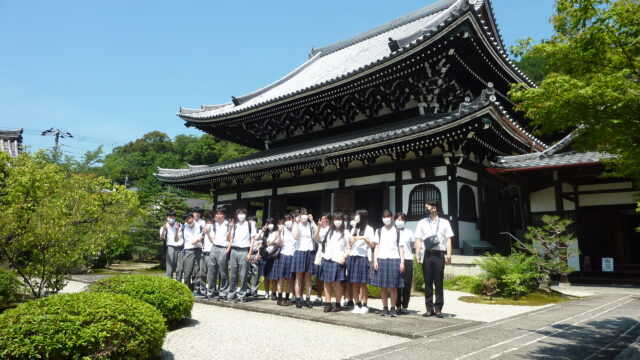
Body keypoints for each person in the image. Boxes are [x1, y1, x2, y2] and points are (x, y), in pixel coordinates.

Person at [415, 200, 453, 318]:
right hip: (426, 254)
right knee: (427, 282)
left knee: (439, 281)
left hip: (439, 254)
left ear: (434, 208)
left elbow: (448, 239)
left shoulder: (445, 222)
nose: (425, 208)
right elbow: (418, 240)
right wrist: (417, 255)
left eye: (428, 206)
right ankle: (429, 308)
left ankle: (438, 309)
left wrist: (449, 255)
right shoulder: (422, 222)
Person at [371, 210, 405, 317]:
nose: (387, 219)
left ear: (392, 218)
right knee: (383, 286)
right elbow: (376, 246)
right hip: (381, 259)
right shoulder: (379, 231)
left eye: (388, 216)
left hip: (394, 259)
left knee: (394, 286)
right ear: (382, 218)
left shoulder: (398, 231)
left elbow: (401, 247)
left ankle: (393, 308)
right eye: (384, 217)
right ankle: (385, 308)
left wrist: (402, 262)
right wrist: (375, 260)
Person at [317, 212, 350, 313]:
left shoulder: (346, 232)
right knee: (326, 282)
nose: (337, 221)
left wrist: (344, 257)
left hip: (338, 260)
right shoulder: (329, 231)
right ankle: (328, 304)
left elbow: (349, 248)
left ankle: (338, 304)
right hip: (327, 258)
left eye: (339, 219)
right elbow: (317, 238)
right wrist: (318, 228)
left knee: (337, 284)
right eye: (335, 219)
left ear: (342, 221)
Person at [226, 208, 257, 303]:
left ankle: (241, 295)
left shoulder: (250, 224)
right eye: (239, 213)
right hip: (234, 250)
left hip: (244, 250)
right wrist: (230, 228)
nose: (241, 215)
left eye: (243, 213)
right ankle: (231, 294)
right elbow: (228, 239)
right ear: (236, 215)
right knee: (233, 273)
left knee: (243, 274)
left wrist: (249, 253)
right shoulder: (234, 225)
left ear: (246, 215)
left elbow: (252, 240)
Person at [348, 209, 375, 314]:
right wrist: (352, 239)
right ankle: (357, 304)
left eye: (358, 215)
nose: (356, 217)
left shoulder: (369, 229)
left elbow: (372, 245)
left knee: (363, 283)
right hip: (353, 256)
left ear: (363, 216)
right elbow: (350, 243)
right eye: (356, 215)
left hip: (362, 256)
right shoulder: (354, 228)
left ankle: (365, 305)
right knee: (354, 282)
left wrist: (363, 238)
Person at [291, 208, 316, 308]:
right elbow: (296, 236)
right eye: (302, 214)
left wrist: (313, 221)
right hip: (299, 250)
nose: (304, 216)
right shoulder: (296, 225)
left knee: (308, 277)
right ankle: (298, 299)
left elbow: (317, 235)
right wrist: (296, 223)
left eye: (305, 213)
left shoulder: (310, 225)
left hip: (309, 250)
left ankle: (308, 299)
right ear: (299, 216)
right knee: (298, 276)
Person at [205, 208, 230, 300]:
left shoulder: (228, 224)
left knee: (223, 272)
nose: (219, 215)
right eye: (217, 214)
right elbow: (212, 239)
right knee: (211, 271)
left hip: (223, 248)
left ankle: (223, 292)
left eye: (221, 214)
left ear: (224, 215)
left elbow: (231, 239)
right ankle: (211, 291)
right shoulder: (214, 225)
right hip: (214, 247)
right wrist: (207, 233)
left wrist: (228, 249)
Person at [395, 212, 415, 314]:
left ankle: (405, 306)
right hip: (395, 259)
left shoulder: (409, 232)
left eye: (402, 219)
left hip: (407, 259)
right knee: (396, 283)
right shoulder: (392, 231)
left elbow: (412, 245)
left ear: (405, 221)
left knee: (407, 283)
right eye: (398, 219)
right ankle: (397, 305)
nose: (400, 221)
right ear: (394, 220)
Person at [274, 214, 296, 306]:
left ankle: (287, 298)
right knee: (281, 278)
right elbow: (279, 244)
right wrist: (278, 233)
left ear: (292, 220)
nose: (288, 221)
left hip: (293, 255)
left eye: (289, 219)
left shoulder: (296, 229)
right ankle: (279, 298)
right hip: (284, 254)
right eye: (286, 220)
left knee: (290, 278)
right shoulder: (282, 230)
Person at [181, 213, 204, 295]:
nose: (189, 220)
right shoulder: (184, 228)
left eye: (190, 218)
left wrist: (197, 240)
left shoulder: (200, 226)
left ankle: (196, 289)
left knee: (197, 271)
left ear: (193, 218)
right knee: (187, 271)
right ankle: (187, 287)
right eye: (187, 219)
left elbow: (202, 236)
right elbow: (183, 240)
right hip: (188, 251)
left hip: (198, 250)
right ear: (185, 221)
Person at [313, 212, 331, 304]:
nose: (324, 220)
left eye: (326, 219)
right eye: (323, 218)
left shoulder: (331, 229)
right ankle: (319, 296)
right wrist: (319, 227)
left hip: (329, 254)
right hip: (320, 253)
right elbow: (316, 238)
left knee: (328, 278)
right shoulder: (320, 229)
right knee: (319, 277)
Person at [259, 217, 279, 300]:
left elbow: (275, 243)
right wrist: (262, 231)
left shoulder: (277, 232)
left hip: (274, 256)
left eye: (271, 223)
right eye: (268, 223)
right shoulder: (264, 233)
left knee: (274, 276)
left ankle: (273, 293)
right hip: (265, 256)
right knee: (266, 276)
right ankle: (266, 292)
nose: (270, 225)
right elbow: (259, 242)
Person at [160, 211, 183, 280]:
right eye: (170, 217)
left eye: (173, 217)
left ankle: (179, 282)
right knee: (169, 266)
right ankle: (169, 282)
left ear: (175, 217)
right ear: (167, 217)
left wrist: (176, 230)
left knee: (180, 267)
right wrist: (164, 230)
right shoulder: (164, 226)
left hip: (180, 247)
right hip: (170, 247)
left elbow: (179, 238)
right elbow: (162, 237)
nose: (171, 218)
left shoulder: (179, 225)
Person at [247, 216, 262, 297]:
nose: (252, 221)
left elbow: (260, 244)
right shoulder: (245, 230)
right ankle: (247, 290)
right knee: (247, 273)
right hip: (246, 253)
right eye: (250, 220)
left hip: (255, 253)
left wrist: (258, 254)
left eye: (253, 220)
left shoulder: (258, 231)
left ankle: (254, 290)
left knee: (256, 273)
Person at [192, 208, 206, 296]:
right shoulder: (189, 222)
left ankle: (198, 289)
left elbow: (204, 233)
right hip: (190, 247)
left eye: (198, 213)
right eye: (195, 212)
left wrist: (199, 240)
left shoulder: (203, 222)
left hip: (201, 248)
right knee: (191, 270)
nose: (196, 214)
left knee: (200, 270)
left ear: (200, 214)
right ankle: (192, 287)